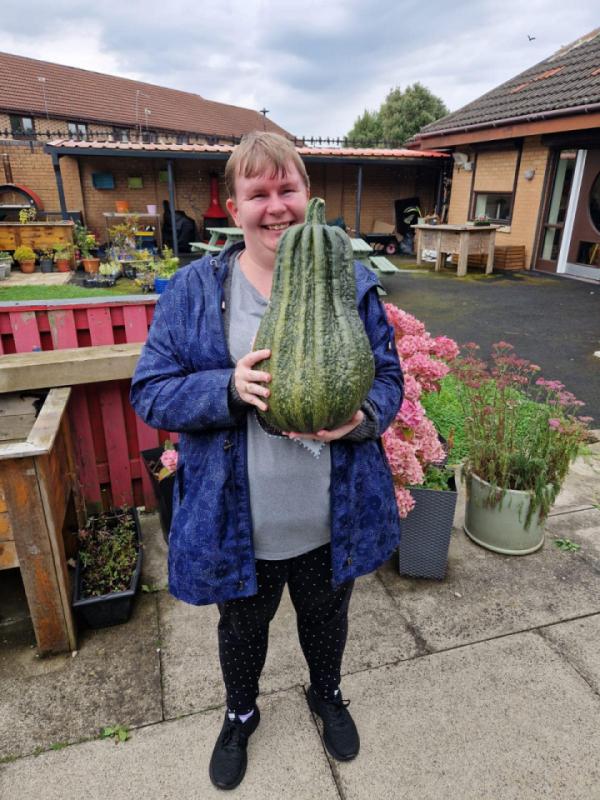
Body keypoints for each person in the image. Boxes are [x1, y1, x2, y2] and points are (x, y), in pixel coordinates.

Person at [130, 131, 403, 791]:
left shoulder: (352, 280)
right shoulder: (195, 289)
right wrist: (227, 388)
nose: (275, 206)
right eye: (259, 193)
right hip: (240, 527)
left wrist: (364, 418)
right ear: (232, 205)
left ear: (308, 198)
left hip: (326, 517)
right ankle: (240, 712)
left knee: (327, 620)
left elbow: (388, 380)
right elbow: (150, 390)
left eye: (288, 189)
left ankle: (327, 693)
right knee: (242, 632)